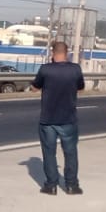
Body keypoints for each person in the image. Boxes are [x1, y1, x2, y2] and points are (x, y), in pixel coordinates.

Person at [31, 41, 85, 195]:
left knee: (49, 153)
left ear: (52, 53)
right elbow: (81, 88)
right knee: (70, 152)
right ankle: (71, 186)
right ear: (67, 53)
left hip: (48, 119)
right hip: (68, 118)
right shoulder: (75, 69)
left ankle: (51, 186)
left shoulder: (45, 69)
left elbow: (35, 88)